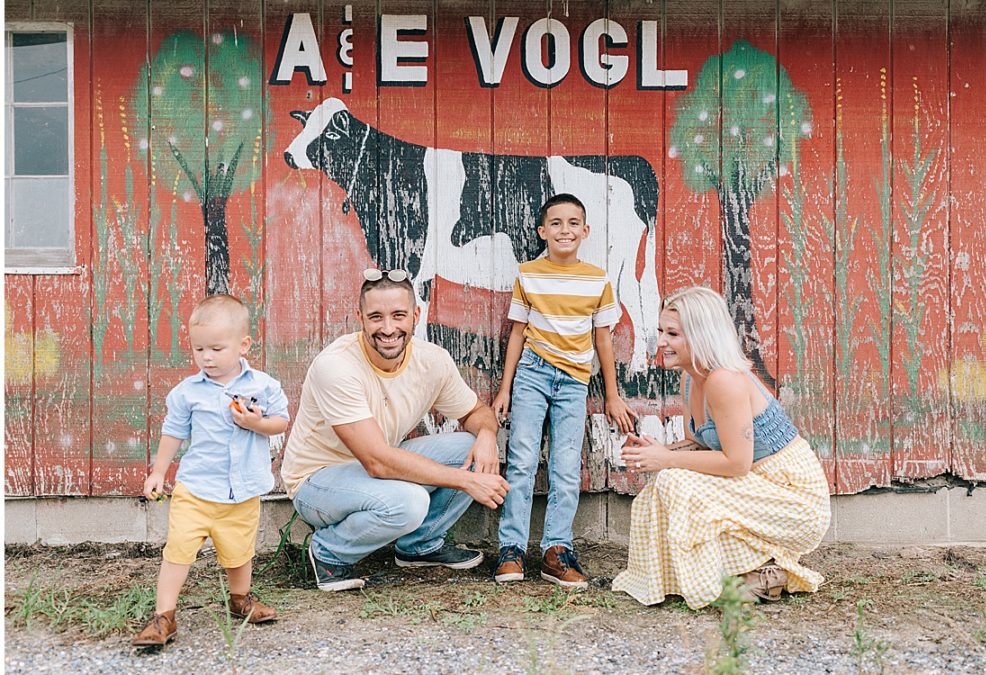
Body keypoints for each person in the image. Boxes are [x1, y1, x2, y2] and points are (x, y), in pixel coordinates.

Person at [281, 269, 510, 592]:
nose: (388, 328)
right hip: (317, 482)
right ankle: (329, 551)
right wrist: (467, 480)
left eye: (398, 315)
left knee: (467, 445)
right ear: (360, 317)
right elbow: (378, 462)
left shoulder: (432, 361)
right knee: (409, 501)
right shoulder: (337, 366)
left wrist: (487, 436)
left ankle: (420, 545)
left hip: (374, 470)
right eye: (376, 317)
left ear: (416, 315)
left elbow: (476, 412)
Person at [612, 286, 830, 608]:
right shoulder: (691, 378)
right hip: (755, 485)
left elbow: (737, 463)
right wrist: (660, 450)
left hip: (793, 496)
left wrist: (666, 460)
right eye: (661, 331)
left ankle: (758, 571)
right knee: (665, 482)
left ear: (701, 335)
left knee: (675, 479)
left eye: (672, 333)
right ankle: (756, 573)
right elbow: (700, 444)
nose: (660, 342)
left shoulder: (723, 380)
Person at [492, 193, 637, 589]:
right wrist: (505, 389)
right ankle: (512, 550)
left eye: (573, 223)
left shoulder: (597, 279)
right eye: (555, 223)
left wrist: (611, 394)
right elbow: (518, 333)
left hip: (574, 379)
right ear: (542, 231)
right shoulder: (527, 274)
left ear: (585, 231)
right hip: (532, 375)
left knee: (566, 466)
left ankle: (556, 550)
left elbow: (603, 339)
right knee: (521, 460)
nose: (564, 230)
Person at [133, 294, 289, 647]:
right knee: (178, 550)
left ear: (243, 345)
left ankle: (239, 600)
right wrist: (159, 472)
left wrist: (257, 423)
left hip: (242, 490)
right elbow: (173, 431)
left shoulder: (262, 386)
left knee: (239, 551)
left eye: (216, 349)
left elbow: (281, 422)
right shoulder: (188, 392)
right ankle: (164, 617)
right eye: (198, 349)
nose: (206, 357)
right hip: (197, 489)